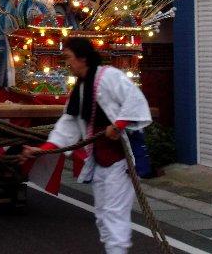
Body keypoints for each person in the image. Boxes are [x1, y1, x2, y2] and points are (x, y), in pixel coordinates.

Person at [22, 37, 151, 254]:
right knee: (102, 213)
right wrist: (43, 149)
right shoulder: (80, 90)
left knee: (113, 212)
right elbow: (68, 126)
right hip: (99, 158)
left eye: (68, 58)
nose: (67, 64)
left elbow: (135, 99)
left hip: (120, 158)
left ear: (82, 58)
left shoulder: (109, 76)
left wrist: (118, 125)